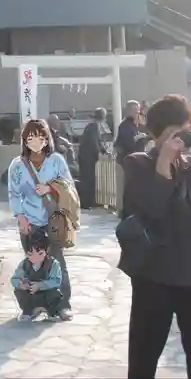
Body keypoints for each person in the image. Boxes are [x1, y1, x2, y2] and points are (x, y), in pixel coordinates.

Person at [118, 95, 191, 379]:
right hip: (153, 279)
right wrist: (163, 166)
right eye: (176, 134)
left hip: (188, 277)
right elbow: (152, 210)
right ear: (157, 135)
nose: (182, 140)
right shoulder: (137, 164)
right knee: (143, 359)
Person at [8, 118, 74, 321]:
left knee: (57, 263)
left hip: (52, 221)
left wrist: (51, 188)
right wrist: (20, 217)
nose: (36, 141)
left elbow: (69, 185)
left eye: (40, 136)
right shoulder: (18, 165)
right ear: (24, 140)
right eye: (31, 137)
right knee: (32, 265)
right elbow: (13, 192)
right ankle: (32, 307)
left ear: (47, 139)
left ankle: (62, 305)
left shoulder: (56, 161)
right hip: (29, 221)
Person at [11, 230, 63, 321]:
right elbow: (14, 279)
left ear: (46, 251)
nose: (35, 258)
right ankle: (29, 311)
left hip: (46, 293)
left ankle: (51, 312)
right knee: (18, 291)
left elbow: (56, 281)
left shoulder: (53, 264)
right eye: (31, 254)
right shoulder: (24, 264)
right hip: (30, 293)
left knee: (55, 293)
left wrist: (40, 285)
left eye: (40, 254)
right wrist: (21, 284)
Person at [78, 107, 107, 209]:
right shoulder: (94, 126)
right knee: (88, 180)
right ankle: (86, 203)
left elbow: (98, 142)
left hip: (85, 157)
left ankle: (89, 202)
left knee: (89, 179)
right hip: (87, 158)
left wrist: (104, 150)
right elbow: (94, 142)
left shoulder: (92, 126)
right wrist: (99, 152)